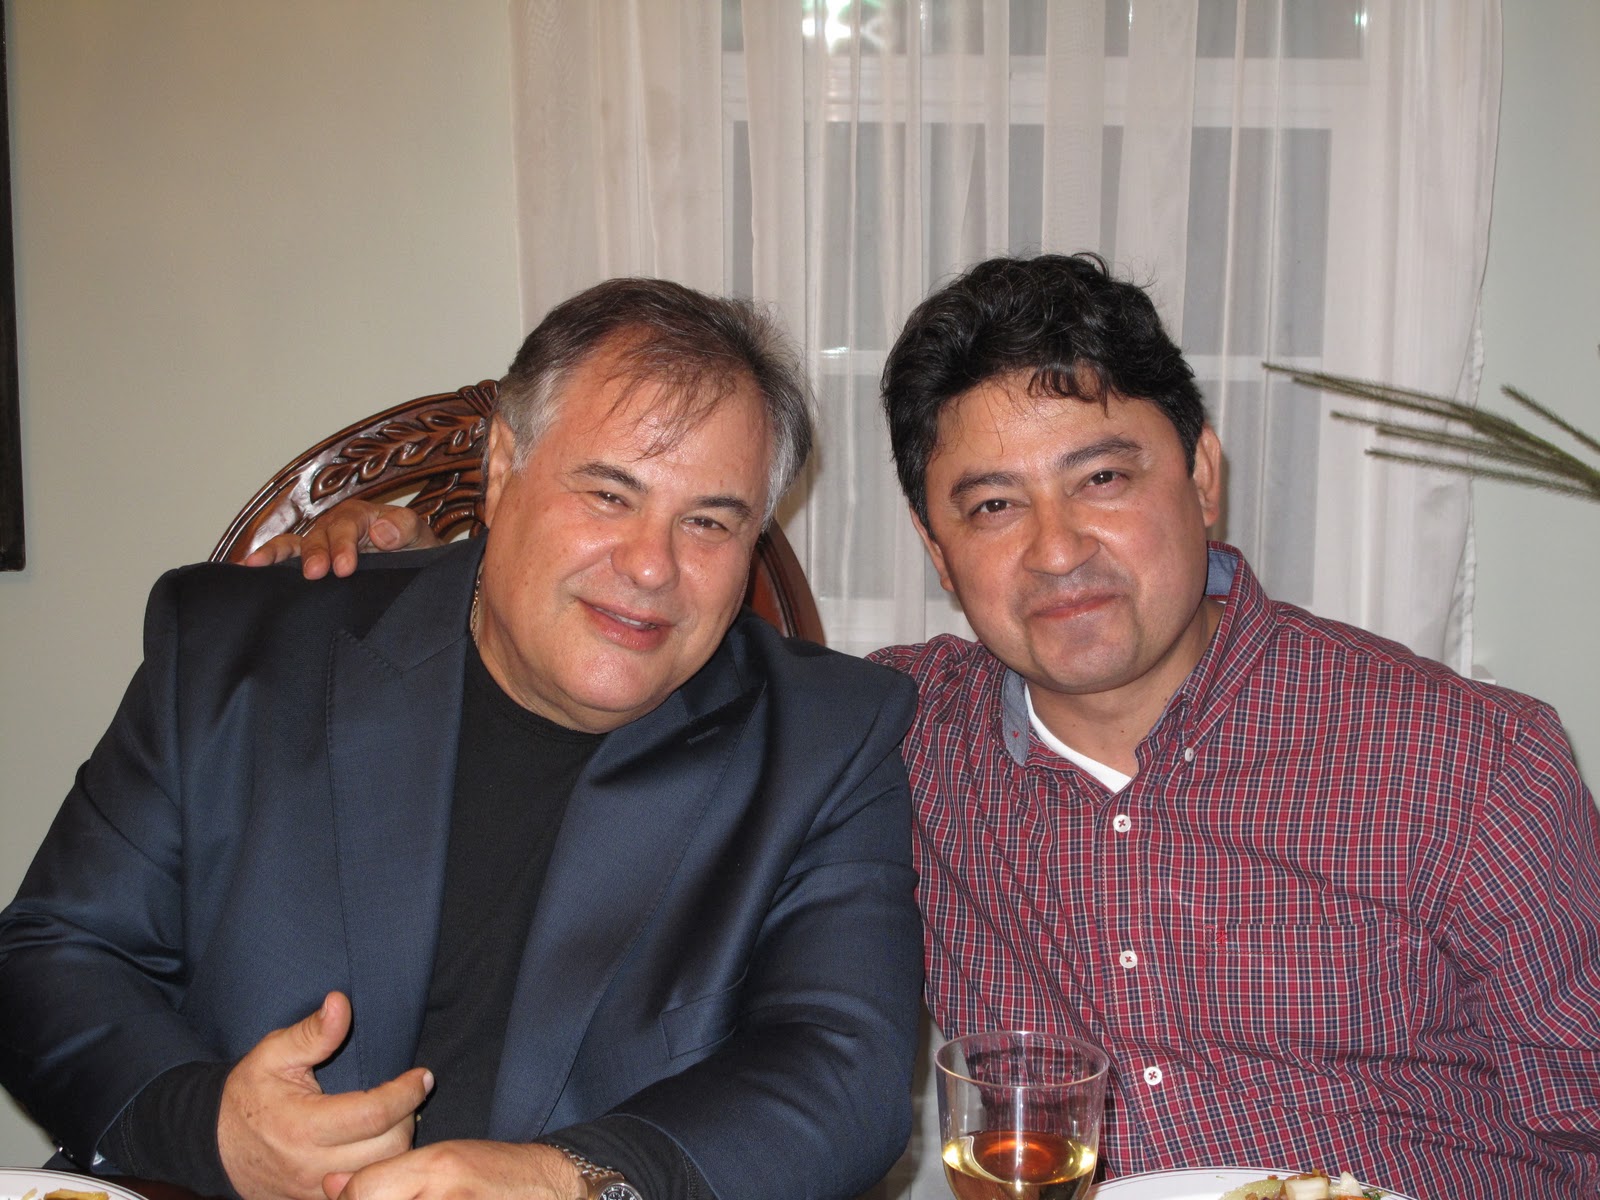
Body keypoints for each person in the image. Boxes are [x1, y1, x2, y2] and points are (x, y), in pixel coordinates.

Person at [284, 254, 1600, 1199]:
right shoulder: (882, 739)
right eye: (991, 506)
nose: (1057, 551)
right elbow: (620, 639)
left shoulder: (1470, 763)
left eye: (1102, 477)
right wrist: (411, 573)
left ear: (1201, 475)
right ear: (935, 546)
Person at [0, 278, 925, 1200]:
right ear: (502, 467)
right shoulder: (242, 654)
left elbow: (844, 1071)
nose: (652, 565)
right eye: (610, 494)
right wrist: (206, 1128)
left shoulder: (825, 740)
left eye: (710, 522)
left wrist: (576, 1182)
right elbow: (50, 953)